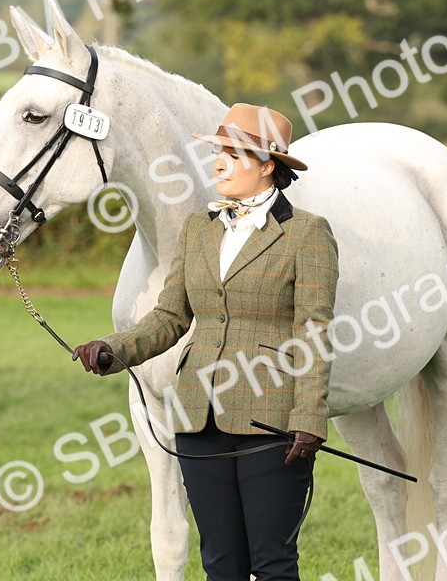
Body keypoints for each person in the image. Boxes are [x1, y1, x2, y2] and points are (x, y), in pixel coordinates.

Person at [72, 102, 339, 581]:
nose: (218, 163)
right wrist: (115, 349)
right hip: (198, 419)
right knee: (220, 564)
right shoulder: (199, 229)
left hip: (272, 424)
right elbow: (171, 315)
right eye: (218, 152)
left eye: (234, 155)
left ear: (267, 166)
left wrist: (309, 416)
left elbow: (315, 329)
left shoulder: (308, 234)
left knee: (274, 565)